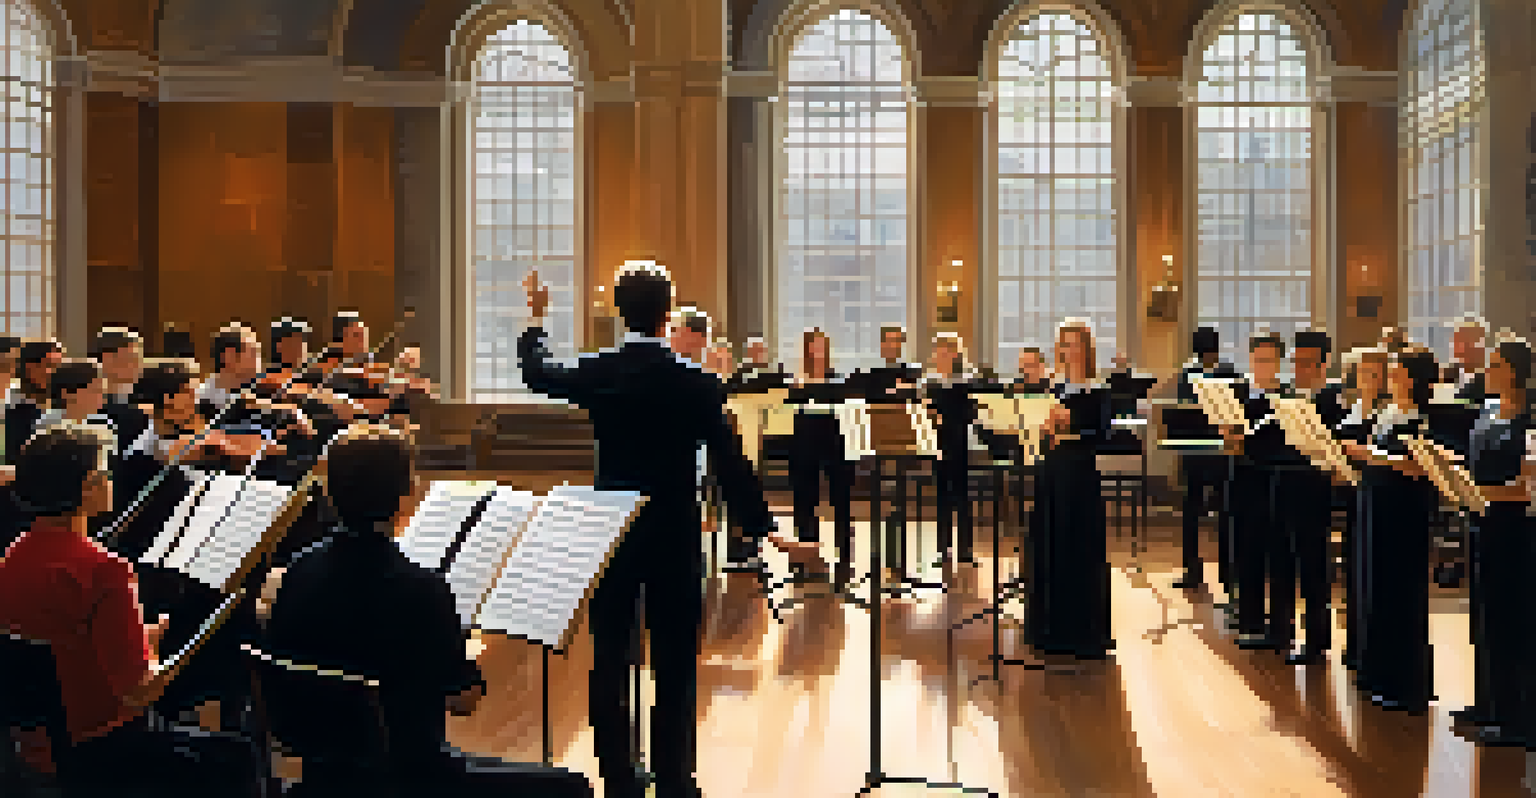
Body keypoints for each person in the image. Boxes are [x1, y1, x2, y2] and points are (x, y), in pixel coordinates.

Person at [518, 264, 819, 798]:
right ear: (668, 312)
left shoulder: (600, 370)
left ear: (619, 310)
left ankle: (618, 777)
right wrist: (770, 532)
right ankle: (675, 780)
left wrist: (537, 319)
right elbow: (730, 463)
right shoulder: (697, 383)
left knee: (610, 656)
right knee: (676, 661)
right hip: (676, 535)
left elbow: (538, 372)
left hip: (612, 532)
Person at [263, 423, 593, 796]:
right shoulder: (419, 588)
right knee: (571, 788)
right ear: (405, 495)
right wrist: (461, 651)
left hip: (322, 778)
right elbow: (463, 699)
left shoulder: (299, 571)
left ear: (329, 493)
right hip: (412, 776)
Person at [0, 425, 260, 796]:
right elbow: (139, 692)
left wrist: (138, 639)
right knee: (237, 755)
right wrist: (158, 651)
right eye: (104, 473)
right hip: (102, 747)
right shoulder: (104, 570)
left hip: (32, 744)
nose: (110, 480)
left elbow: (58, 642)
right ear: (88, 487)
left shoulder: (13, 556)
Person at [1341, 347, 1441, 712]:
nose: (1390, 378)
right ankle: (1376, 672)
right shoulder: (1387, 412)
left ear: (1412, 379)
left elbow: (1420, 468)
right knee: (1376, 586)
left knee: (1401, 592)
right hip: (1377, 505)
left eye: (1397, 372)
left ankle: (1405, 684)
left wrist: (1370, 455)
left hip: (1405, 512)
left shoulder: (1424, 418)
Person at [1454, 336, 1536, 745]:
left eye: (1497, 365)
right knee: (1484, 617)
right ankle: (1488, 702)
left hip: (1517, 532)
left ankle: (1517, 718)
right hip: (1483, 525)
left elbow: (1528, 487)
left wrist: (1478, 492)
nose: (1488, 371)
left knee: (1513, 621)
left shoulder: (1530, 421)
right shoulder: (1486, 413)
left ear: (1516, 373)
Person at [1027, 318, 1113, 660]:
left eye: (1076, 343)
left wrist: (1069, 426)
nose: (1070, 350)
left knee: (1079, 550)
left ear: (1087, 349)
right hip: (1051, 476)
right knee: (1050, 546)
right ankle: (1048, 631)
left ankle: (1083, 634)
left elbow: (1103, 437)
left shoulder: (1097, 390)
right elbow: (1036, 434)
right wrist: (1043, 429)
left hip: (1080, 479)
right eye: (1065, 344)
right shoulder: (1052, 388)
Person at [788, 328, 856, 584]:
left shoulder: (838, 379)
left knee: (841, 498)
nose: (817, 351)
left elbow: (846, 410)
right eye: (813, 346)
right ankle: (807, 555)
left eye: (821, 346)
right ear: (806, 350)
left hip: (835, 443)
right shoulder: (796, 379)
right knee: (805, 499)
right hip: (804, 443)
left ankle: (844, 554)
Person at [1173, 326, 1238, 590]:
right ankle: (1197, 569)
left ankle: (1224, 572)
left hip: (1214, 452)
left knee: (1221, 512)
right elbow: (1183, 410)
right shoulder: (1193, 374)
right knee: (1196, 511)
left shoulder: (1224, 373)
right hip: (1200, 451)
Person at [924, 332, 978, 564]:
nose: (942, 355)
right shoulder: (931, 383)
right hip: (938, 444)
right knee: (942, 497)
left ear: (956, 354)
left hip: (959, 443)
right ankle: (943, 549)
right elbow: (925, 413)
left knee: (962, 497)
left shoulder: (965, 382)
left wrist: (946, 418)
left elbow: (970, 414)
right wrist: (929, 415)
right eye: (939, 351)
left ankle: (965, 550)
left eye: (947, 350)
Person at [6, 339, 62, 463]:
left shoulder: (62, 407)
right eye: (51, 366)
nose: (58, 373)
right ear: (30, 368)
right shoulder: (11, 408)